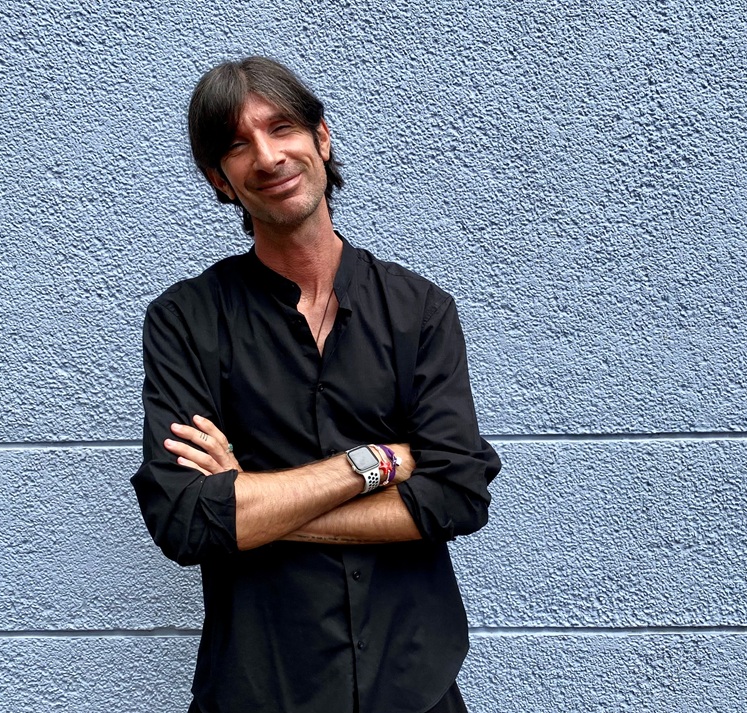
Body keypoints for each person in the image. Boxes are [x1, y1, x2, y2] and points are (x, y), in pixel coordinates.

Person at [131, 56, 501, 713]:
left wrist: (255, 504)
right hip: (258, 688)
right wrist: (375, 464)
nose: (267, 156)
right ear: (220, 181)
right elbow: (186, 520)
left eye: (282, 128)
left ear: (322, 139)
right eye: (238, 145)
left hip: (412, 685)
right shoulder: (186, 321)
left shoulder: (419, 311)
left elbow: (458, 496)